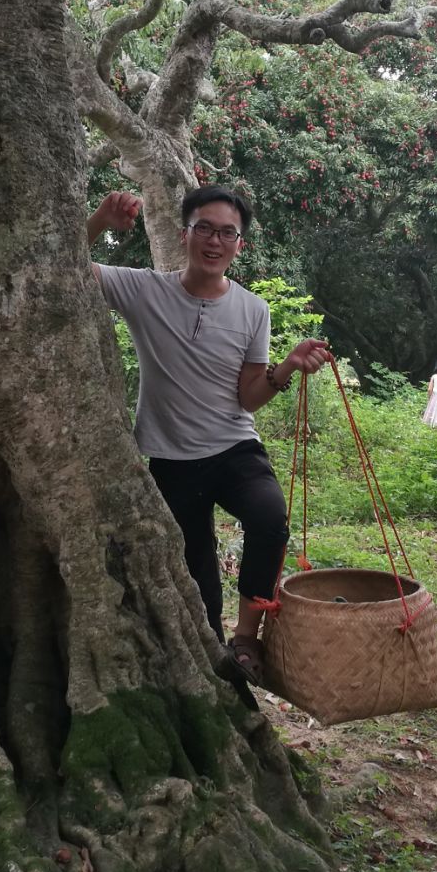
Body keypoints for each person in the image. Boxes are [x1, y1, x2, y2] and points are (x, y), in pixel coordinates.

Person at [87, 185, 330, 686]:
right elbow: (60, 264)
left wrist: (287, 366)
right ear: (186, 234)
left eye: (227, 233)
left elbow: (249, 397)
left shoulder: (252, 310)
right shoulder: (143, 290)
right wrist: (98, 221)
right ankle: (213, 650)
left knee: (270, 520)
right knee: (197, 566)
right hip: (171, 458)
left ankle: (246, 637)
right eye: (205, 228)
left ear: (239, 244)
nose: (214, 240)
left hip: (236, 447)